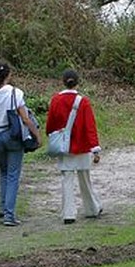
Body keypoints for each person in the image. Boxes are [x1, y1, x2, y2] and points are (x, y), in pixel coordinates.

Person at [0, 61, 40, 227]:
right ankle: (9, 215)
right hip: (11, 135)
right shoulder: (14, 93)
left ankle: (3, 207)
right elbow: (25, 118)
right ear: (7, 76)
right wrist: (36, 135)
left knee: (4, 171)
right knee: (13, 174)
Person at [45, 68, 102, 224]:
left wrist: (52, 135)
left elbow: (50, 124)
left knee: (67, 180)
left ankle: (68, 213)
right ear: (77, 82)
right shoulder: (83, 102)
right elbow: (90, 126)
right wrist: (95, 148)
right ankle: (92, 208)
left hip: (64, 146)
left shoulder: (56, 100)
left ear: (63, 81)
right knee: (85, 179)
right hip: (82, 146)